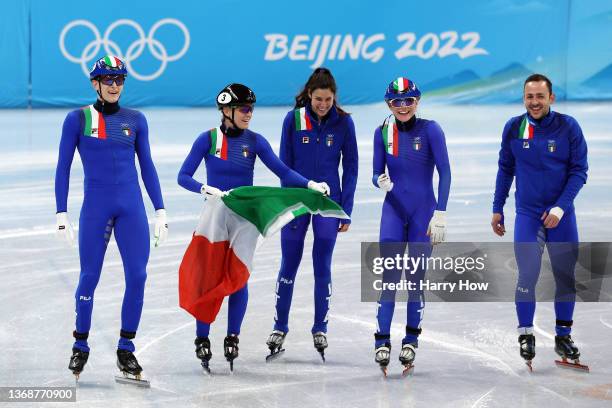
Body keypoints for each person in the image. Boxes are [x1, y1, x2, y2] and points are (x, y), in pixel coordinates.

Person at [177, 83, 329, 370]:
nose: (249, 114)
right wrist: (203, 188)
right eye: (244, 109)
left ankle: (232, 336)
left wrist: (309, 184)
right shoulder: (207, 140)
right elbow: (182, 176)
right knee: (207, 277)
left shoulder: (255, 141)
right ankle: (202, 337)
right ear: (226, 110)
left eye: (251, 109)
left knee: (238, 277)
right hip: (215, 216)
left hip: (245, 218)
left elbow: (281, 170)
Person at [55, 55, 168, 381]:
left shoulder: (136, 119)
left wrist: (159, 209)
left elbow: (147, 166)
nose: (115, 85)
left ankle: (126, 348)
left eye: (120, 79)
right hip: (96, 208)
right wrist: (61, 212)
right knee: (89, 275)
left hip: (131, 207)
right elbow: (63, 167)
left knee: (138, 276)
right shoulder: (77, 119)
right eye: (108, 80)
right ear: (95, 83)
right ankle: (80, 344)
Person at [492, 73, 588, 370]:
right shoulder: (514, 128)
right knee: (528, 274)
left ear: (551, 98)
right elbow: (505, 170)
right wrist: (498, 208)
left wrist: (561, 207)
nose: (534, 102)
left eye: (540, 96)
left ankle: (563, 335)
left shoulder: (568, 126)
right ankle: (525, 334)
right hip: (528, 216)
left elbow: (579, 171)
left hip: (562, 217)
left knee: (565, 277)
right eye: (529, 97)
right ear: (524, 98)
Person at [266, 68, 358, 361]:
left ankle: (320, 327)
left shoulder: (344, 122)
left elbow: (352, 168)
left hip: (328, 206)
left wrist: (347, 210)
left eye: (328, 99)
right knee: (289, 263)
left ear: (334, 97)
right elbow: (284, 165)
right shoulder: (293, 120)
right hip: (296, 201)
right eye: (318, 99)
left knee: (322, 265)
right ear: (309, 95)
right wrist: (287, 204)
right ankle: (280, 327)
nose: (323, 104)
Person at [371, 77, 451, 375]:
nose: (403, 107)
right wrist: (379, 180)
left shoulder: (431, 130)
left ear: (417, 101)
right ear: (388, 104)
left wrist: (440, 214)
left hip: (423, 214)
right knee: (390, 278)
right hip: (393, 212)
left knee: (415, 279)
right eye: (396, 102)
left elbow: (445, 173)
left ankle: (411, 338)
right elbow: (375, 173)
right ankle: (381, 339)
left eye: (408, 101)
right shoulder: (382, 132)